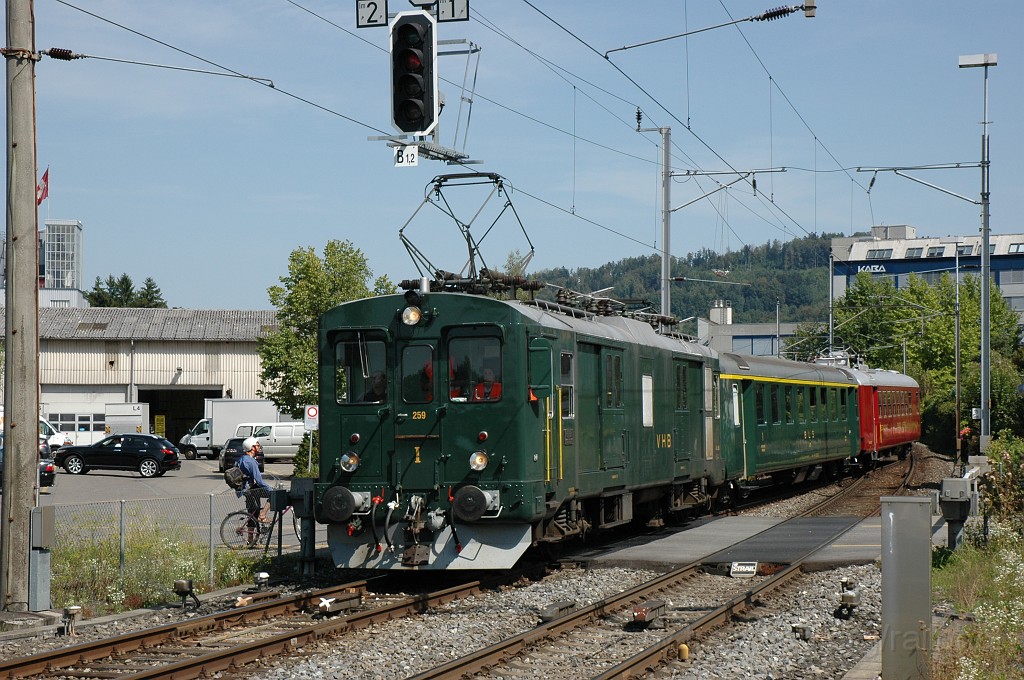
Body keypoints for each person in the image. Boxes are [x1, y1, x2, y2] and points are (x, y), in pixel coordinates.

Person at [237, 437, 272, 530]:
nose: (259, 446)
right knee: (274, 495)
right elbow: (259, 481)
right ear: (252, 447)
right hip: (251, 489)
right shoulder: (251, 462)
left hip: (244, 489)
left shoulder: (242, 459)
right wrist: (270, 489)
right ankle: (263, 515)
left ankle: (251, 540)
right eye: (257, 444)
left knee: (252, 514)